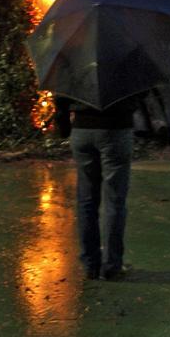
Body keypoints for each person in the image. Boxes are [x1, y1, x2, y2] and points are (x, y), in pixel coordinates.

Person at [54, 94, 139, 281]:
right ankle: (112, 266)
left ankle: (90, 265)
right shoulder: (128, 64)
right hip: (116, 128)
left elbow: (61, 93)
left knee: (86, 199)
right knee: (115, 200)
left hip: (83, 130)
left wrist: (64, 122)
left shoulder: (76, 64)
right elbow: (140, 91)